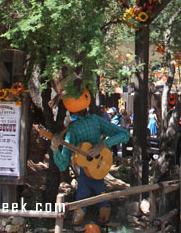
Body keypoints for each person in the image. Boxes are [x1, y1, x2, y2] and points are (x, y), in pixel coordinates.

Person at [52, 90, 129, 227]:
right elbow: (124, 134)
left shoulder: (87, 123)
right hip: (90, 170)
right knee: (94, 195)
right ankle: (100, 221)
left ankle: (81, 223)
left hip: (95, 168)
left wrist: (102, 145)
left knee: (84, 196)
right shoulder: (81, 125)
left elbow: (124, 134)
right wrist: (55, 147)